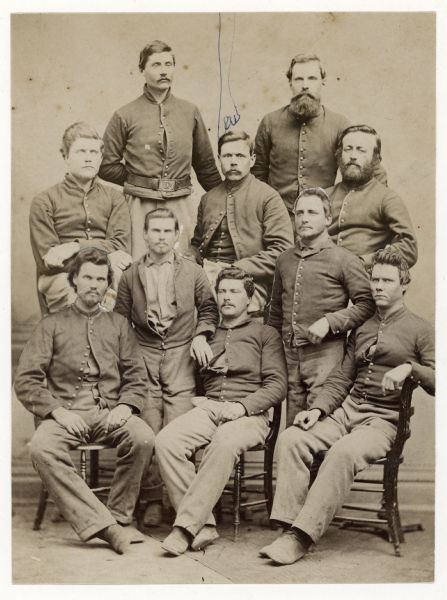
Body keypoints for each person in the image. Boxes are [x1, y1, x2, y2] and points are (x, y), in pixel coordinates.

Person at [260, 249, 435, 565]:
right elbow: (342, 376)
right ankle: (287, 527)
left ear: (404, 284)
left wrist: (409, 368)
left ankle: (301, 538)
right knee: (292, 439)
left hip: (383, 422)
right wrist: (318, 410)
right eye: (375, 279)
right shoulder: (363, 326)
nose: (378, 286)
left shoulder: (420, 329)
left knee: (342, 452)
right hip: (347, 412)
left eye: (387, 281)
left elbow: (437, 380)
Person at [14, 248, 155, 555]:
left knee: (142, 436)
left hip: (107, 414)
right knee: (41, 447)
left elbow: (136, 376)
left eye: (100, 279)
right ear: (74, 279)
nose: (93, 284)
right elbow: (25, 380)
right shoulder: (51, 325)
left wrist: (124, 406)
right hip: (64, 415)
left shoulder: (119, 325)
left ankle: (119, 516)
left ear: (108, 285)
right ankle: (106, 528)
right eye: (87, 277)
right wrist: (58, 412)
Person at [155, 267, 287, 555]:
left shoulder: (265, 334)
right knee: (166, 442)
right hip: (210, 408)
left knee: (225, 441)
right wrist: (202, 398)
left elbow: (278, 385)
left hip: (250, 414)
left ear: (249, 299)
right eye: (223, 291)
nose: (227, 297)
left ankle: (185, 527)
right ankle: (205, 525)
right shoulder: (206, 334)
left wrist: (242, 407)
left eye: (235, 292)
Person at [114, 207, 219, 525]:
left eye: (167, 231)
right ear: (145, 235)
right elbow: (119, 320)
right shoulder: (131, 274)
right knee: (148, 427)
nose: (161, 237)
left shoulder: (194, 272)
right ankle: (151, 501)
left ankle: (179, 503)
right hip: (143, 353)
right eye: (154, 231)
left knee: (176, 429)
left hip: (180, 354)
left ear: (176, 236)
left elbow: (210, 309)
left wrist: (201, 335)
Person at [99, 40, 222, 257]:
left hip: (181, 204)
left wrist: (225, 201)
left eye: (168, 64)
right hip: (138, 206)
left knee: (181, 266)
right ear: (142, 70)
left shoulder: (189, 111)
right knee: (138, 267)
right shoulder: (125, 114)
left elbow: (206, 166)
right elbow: (106, 165)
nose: (164, 71)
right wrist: (140, 179)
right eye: (156, 65)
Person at [268, 187, 375, 426]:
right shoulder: (284, 259)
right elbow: (275, 312)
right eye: (300, 213)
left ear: (328, 219)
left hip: (326, 354)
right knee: (294, 425)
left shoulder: (344, 259)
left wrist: (330, 321)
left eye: (313, 212)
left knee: (319, 422)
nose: (304, 218)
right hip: (290, 355)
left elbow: (368, 304)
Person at [252, 53, 386, 219]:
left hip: (322, 219)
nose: (305, 86)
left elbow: (372, 168)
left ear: (323, 82)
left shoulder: (339, 124)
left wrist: (379, 209)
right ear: (290, 83)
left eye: (312, 78)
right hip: (276, 217)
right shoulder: (270, 122)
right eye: (299, 79)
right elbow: (257, 173)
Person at [30, 122, 133, 314]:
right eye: (81, 151)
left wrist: (74, 247)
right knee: (74, 293)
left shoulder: (115, 197)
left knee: (124, 280)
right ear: (66, 156)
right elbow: (49, 261)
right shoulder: (44, 201)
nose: (88, 158)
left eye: (93, 152)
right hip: (63, 276)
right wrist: (105, 255)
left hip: (107, 274)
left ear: (101, 157)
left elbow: (120, 246)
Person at [189, 130, 293, 316]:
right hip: (206, 274)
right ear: (219, 159)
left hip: (247, 279)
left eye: (240, 155)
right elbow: (197, 244)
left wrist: (239, 267)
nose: (233, 161)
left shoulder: (268, 197)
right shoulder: (208, 198)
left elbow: (282, 251)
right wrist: (188, 259)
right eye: (228, 155)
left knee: (209, 309)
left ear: (252, 160)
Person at [327, 124, 418, 267]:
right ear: (339, 156)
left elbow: (409, 248)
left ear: (376, 160)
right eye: (348, 149)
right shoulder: (324, 195)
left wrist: (365, 261)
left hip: (364, 279)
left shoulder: (387, 198)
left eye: (361, 150)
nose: (353, 156)